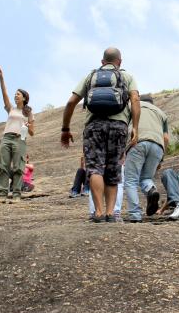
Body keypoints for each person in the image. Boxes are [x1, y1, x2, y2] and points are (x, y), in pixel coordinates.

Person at [60, 47, 140, 223]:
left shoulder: (90, 76)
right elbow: (135, 99)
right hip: (118, 126)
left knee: (95, 168)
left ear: (102, 62)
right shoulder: (127, 76)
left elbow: (71, 102)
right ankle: (111, 213)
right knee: (113, 168)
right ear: (120, 62)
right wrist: (135, 126)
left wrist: (65, 129)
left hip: (94, 126)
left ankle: (98, 212)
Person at [123, 94, 169, 222]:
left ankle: (135, 215)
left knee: (131, 180)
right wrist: (161, 158)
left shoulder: (133, 106)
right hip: (158, 147)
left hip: (139, 142)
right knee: (146, 177)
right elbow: (166, 138)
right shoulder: (161, 113)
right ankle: (151, 190)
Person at [0, 65, 34, 203]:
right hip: (6, 138)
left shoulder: (28, 112)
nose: (15, 95)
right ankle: (2, 194)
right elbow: (4, 93)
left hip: (20, 139)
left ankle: (17, 195)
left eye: (18, 94)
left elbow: (32, 132)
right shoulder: (10, 109)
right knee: (3, 166)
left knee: (18, 167)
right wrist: (1, 78)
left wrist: (28, 126)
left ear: (24, 98)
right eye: (15, 94)